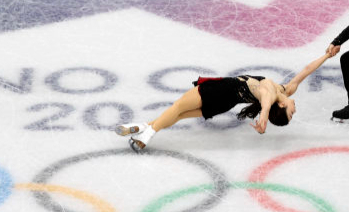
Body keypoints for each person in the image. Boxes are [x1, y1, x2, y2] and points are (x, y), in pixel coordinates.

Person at [117, 52, 335, 152]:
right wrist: (327, 56)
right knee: (180, 115)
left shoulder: (270, 92)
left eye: (291, 113)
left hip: (222, 89)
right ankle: (143, 127)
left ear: (282, 105)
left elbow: (266, 104)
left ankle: (146, 135)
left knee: (177, 108)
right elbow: (307, 70)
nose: (295, 110)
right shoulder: (286, 89)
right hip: (227, 102)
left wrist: (264, 119)